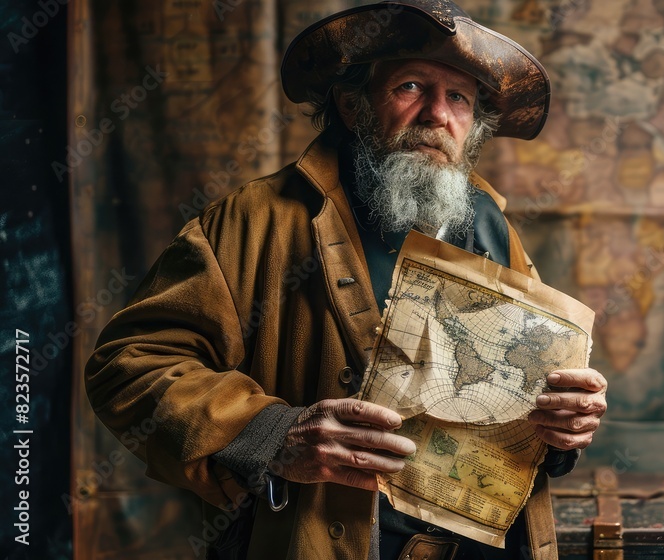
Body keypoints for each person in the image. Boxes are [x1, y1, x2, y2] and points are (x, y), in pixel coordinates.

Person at [85, 1, 607, 559]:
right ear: (352, 102)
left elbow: (517, 394)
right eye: (410, 86)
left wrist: (560, 428)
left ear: (473, 126)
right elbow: (129, 365)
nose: (437, 114)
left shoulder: (490, 225)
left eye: (459, 97)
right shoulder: (253, 219)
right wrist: (273, 434)